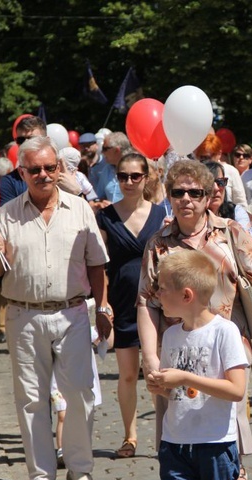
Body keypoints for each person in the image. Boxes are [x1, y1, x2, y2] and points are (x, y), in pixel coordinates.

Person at [0, 136, 111, 480]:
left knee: (79, 393)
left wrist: (104, 308)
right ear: (22, 172)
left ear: (59, 169)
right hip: (23, 314)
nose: (43, 175)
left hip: (73, 311)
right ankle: (40, 476)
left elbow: (97, 264)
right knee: (31, 397)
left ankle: (79, 470)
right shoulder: (6, 214)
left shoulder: (79, 209)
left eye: (49, 167)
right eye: (35, 170)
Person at [137, 159, 252, 480]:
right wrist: (150, 357)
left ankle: (230, 472)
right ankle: (180, 475)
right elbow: (147, 302)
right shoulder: (159, 243)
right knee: (177, 411)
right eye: (178, 192)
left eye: (195, 192)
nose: (186, 199)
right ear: (170, 195)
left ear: (209, 197)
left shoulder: (230, 233)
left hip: (225, 340)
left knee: (230, 414)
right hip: (176, 345)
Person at [147, 249, 247, 480]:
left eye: (162, 289)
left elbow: (236, 390)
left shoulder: (225, 332)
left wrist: (184, 378)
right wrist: (160, 386)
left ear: (186, 295)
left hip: (215, 444)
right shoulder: (170, 335)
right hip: (176, 444)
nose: (157, 294)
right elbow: (174, 394)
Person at [96, 153, 166, 459]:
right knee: (127, 374)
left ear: (146, 177)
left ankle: (166, 437)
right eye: (122, 176)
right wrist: (102, 305)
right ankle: (129, 436)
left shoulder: (161, 213)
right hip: (123, 303)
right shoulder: (106, 216)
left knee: (158, 373)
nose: (128, 182)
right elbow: (98, 264)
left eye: (135, 176)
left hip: (158, 303)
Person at [0, 116, 47, 207]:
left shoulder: (60, 175)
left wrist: (77, 192)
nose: (26, 144)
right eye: (21, 140)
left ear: (46, 140)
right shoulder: (9, 182)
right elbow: (8, 218)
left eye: (32, 139)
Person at [204, 160, 252, 237]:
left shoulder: (235, 211)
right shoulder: (194, 216)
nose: (216, 188)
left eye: (220, 182)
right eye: (210, 183)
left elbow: (246, 239)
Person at [194, 134, 248, 205]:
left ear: (219, 154)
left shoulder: (231, 171)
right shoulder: (194, 172)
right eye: (202, 158)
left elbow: (240, 202)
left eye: (208, 157)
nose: (205, 162)